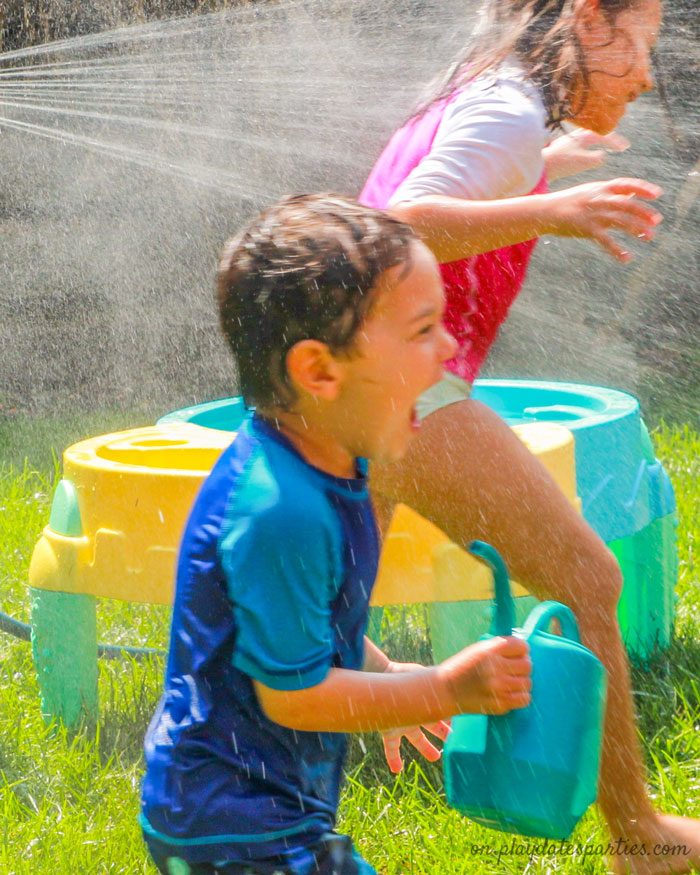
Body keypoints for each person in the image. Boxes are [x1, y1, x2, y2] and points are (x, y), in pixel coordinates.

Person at [360, 0, 700, 872]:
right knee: (588, 576)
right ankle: (642, 837)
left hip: (356, 386)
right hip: (401, 391)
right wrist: (553, 207)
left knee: (315, 625)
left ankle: (246, 817)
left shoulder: (498, 105)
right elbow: (400, 225)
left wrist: (544, 167)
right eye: (643, 41)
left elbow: (462, 181)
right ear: (590, 21)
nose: (647, 72)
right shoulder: (507, 108)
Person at [139, 194, 533, 875]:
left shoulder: (329, 459)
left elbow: (295, 617)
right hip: (232, 821)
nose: (449, 348)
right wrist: (445, 687)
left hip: (260, 807)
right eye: (421, 330)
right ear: (319, 371)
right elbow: (295, 693)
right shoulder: (280, 509)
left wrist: (380, 672)